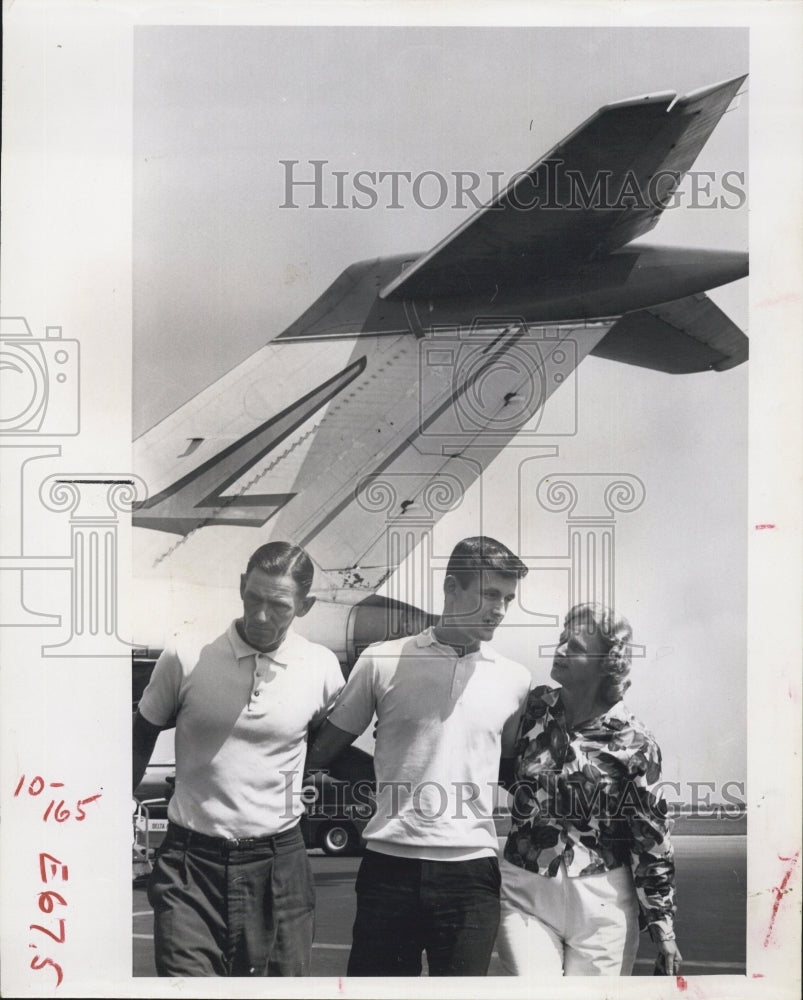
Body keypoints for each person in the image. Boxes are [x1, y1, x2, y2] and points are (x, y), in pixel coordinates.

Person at [305, 536, 532, 976]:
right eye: (489, 595)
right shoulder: (382, 660)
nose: (500, 610)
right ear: (451, 588)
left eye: (508, 598)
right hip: (390, 867)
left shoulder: (514, 680)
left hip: (471, 872)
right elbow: (324, 753)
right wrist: (382, 781)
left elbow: (509, 771)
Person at [132, 541, 345, 977]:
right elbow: (140, 736)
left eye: (279, 606)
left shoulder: (321, 667)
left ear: (306, 606)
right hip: (190, 864)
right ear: (242, 585)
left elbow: (331, 751)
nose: (261, 615)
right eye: (254, 598)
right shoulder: (186, 655)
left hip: (280, 866)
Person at [496, 602, 682, 977]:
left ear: (606, 664)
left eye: (575, 647)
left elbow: (651, 841)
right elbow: (494, 761)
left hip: (604, 907)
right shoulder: (531, 711)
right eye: (561, 639)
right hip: (524, 893)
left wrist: (663, 928)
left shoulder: (635, 744)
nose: (560, 650)